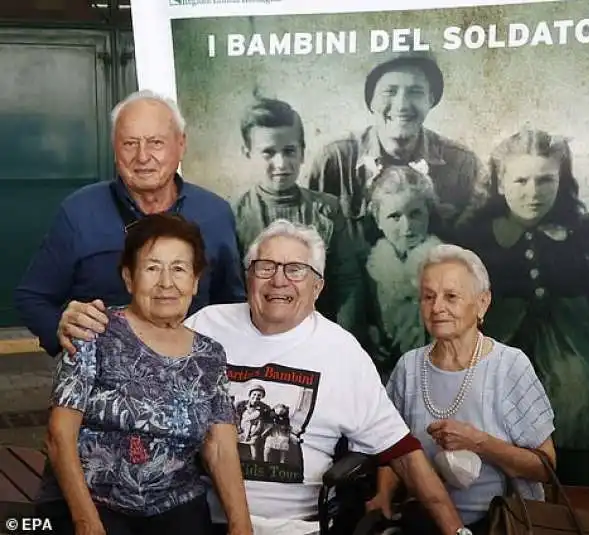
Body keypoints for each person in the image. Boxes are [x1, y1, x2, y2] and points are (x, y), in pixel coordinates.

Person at [61, 219, 474, 535]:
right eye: (265, 267)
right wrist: (82, 318)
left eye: (295, 269)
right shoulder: (206, 325)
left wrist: (456, 531)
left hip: (293, 527)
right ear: (248, 276)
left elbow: (401, 451)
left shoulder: (342, 351)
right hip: (199, 516)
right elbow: (140, 327)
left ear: (317, 287)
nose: (279, 280)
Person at [36, 213, 252, 535]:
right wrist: (86, 521)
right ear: (129, 278)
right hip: (96, 502)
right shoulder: (94, 330)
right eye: (152, 268)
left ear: (195, 281)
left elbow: (219, 446)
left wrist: (240, 524)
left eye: (179, 269)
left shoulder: (210, 354)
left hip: (178, 505)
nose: (166, 283)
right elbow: (59, 435)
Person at [457, 128, 589, 485]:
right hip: (499, 342)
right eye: (520, 180)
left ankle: (573, 498)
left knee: (580, 410)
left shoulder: (584, 231)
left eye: (545, 180)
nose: (533, 193)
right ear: (500, 182)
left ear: (562, 180)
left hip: (572, 346)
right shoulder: (475, 235)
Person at [15, 89, 245, 358]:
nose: (143, 156)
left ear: (181, 144)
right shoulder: (79, 212)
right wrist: (60, 329)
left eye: (156, 142)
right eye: (129, 143)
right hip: (102, 381)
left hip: (192, 378)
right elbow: (32, 297)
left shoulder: (215, 214)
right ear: (115, 148)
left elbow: (233, 306)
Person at [368, 244, 556, 535]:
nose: (437, 307)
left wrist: (480, 443)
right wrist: (383, 493)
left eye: (451, 297)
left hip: (499, 523)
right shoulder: (409, 367)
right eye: (428, 297)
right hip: (424, 520)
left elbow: (545, 467)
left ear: (482, 303)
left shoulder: (509, 365)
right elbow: (393, 445)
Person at [304, 50, 489, 252]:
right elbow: (311, 247)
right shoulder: (335, 161)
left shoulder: (461, 164)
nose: (401, 105)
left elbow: (475, 248)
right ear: (371, 101)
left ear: (431, 99)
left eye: (415, 91)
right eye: (389, 92)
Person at [232, 97, 363, 335]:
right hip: (256, 334)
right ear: (248, 153)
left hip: (319, 333)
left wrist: (340, 339)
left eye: (289, 151)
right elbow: (232, 291)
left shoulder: (328, 210)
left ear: (302, 152)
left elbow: (348, 284)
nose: (280, 163)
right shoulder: (234, 216)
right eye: (268, 153)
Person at [364, 165, 442, 377]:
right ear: (378, 219)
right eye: (394, 217)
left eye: (415, 214)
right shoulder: (370, 268)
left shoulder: (446, 262)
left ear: (428, 212)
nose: (407, 226)